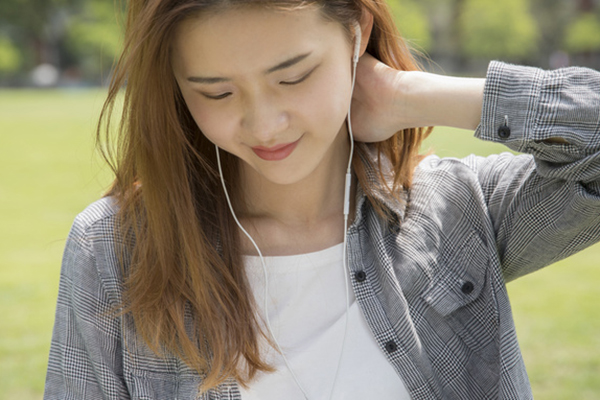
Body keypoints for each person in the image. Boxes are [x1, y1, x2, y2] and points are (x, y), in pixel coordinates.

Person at [44, 0, 600, 399]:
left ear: (356, 33)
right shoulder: (114, 248)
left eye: (295, 77)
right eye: (216, 91)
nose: (264, 124)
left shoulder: (459, 209)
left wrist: (411, 95)